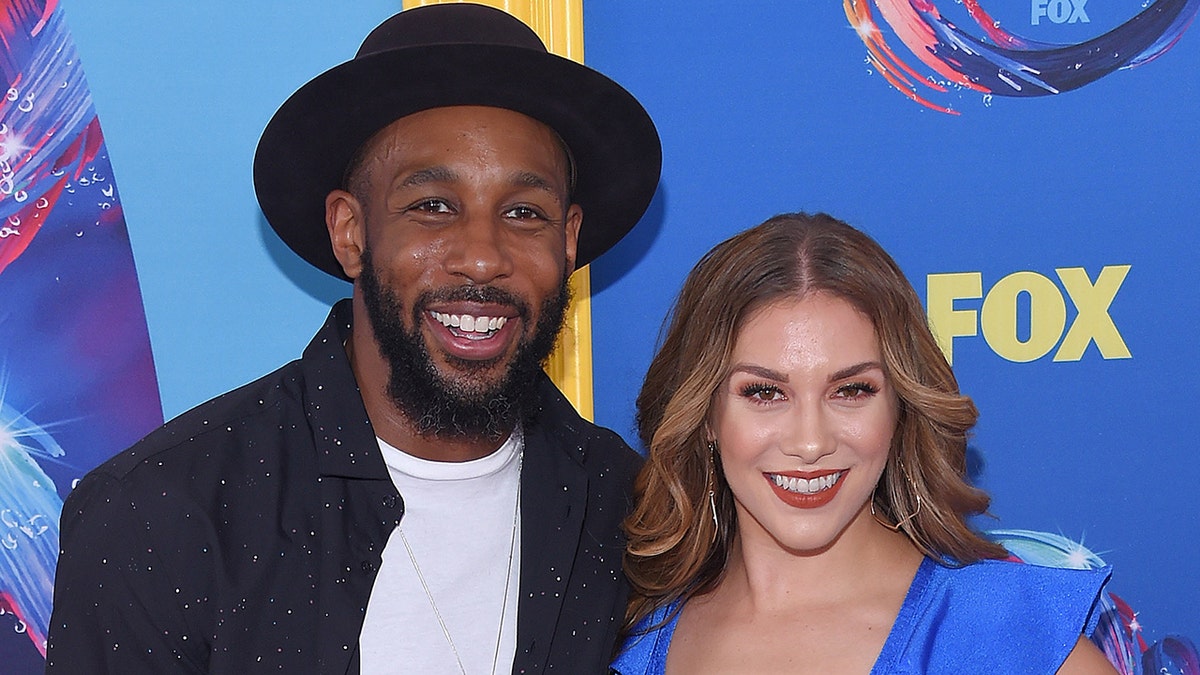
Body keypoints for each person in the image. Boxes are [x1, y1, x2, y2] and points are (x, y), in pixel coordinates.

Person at [45, 4, 660, 674]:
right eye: (433, 207)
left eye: (523, 212)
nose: (483, 257)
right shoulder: (163, 515)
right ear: (350, 231)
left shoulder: (633, 519)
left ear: (567, 240)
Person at [611, 213, 1117, 674]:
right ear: (704, 417)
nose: (810, 443)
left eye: (851, 391)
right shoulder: (624, 643)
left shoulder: (1015, 643)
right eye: (765, 393)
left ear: (900, 409)